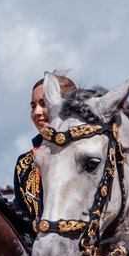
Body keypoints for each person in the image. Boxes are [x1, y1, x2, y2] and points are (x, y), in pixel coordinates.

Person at [13, 73, 76, 224]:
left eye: (44, 104)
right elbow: (20, 221)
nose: (37, 112)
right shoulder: (25, 163)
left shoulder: (87, 155)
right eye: (33, 106)